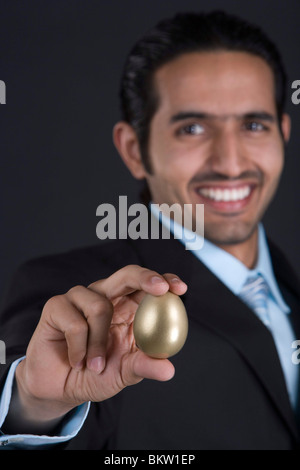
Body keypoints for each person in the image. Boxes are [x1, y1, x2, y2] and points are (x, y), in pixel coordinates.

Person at [0, 10, 299, 450]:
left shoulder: (290, 287)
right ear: (134, 149)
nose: (232, 163)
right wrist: (33, 405)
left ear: (283, 133)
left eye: (254, 125)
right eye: (192, 128)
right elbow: (45, 389)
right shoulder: (78, 295)